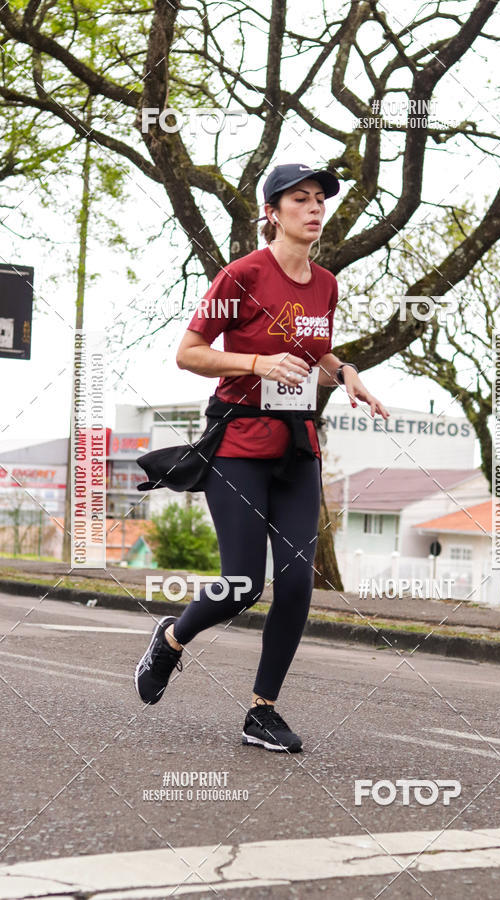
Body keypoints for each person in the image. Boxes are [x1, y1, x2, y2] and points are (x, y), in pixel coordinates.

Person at [134, 163, 390, 753]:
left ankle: (262, 712)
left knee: (297, 581)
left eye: (320, 198)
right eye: (300, 199)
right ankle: (172, 638)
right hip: (239, 448)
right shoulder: (241, 276)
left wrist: (346, 373)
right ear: (272, 212)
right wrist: (255, 364)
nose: (314, 207)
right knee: (243, 584)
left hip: (298, 447)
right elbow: (189, 353)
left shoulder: (325, 283)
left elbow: (317, 351)